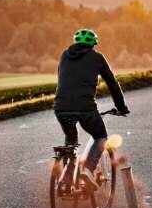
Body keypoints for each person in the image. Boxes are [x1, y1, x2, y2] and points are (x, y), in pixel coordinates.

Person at [54, 28, 129, 189]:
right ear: (93, 44)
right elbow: (112, 84)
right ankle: (88, 170)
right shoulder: (97, 57)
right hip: (85, 108)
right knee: (100, 136)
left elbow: (61, 79)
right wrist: (121, 107)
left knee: (70, 141)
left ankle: (67, 180)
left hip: (61, 107)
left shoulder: (64, 55)